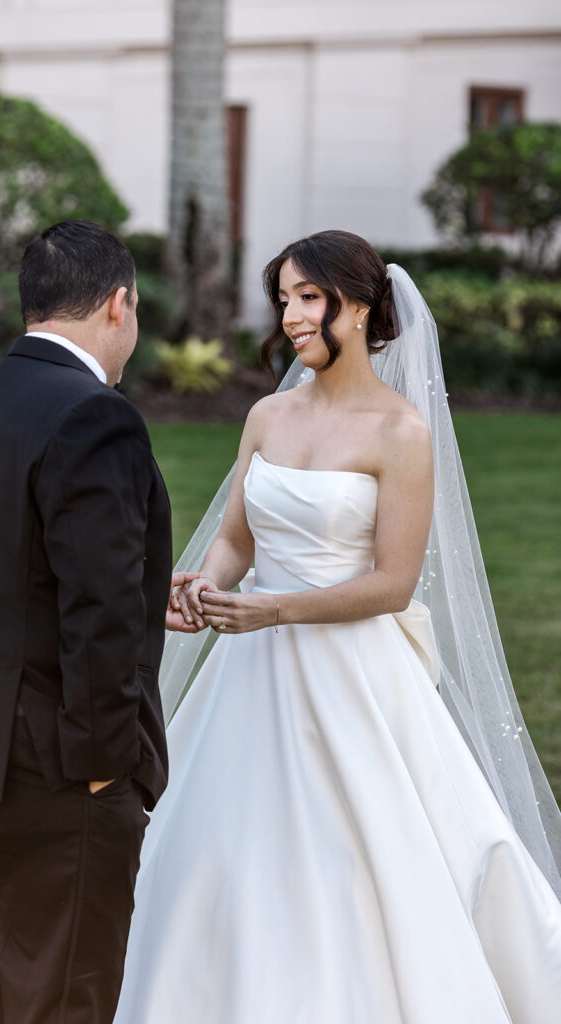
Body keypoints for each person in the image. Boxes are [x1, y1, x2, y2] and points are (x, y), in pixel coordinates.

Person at [113, 230, 561, 1024]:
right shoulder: (268, 415)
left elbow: (391, 584)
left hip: (353, 674)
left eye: (308, 298)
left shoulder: (401, 433)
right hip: (250, 670)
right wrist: (207, 589)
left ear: (358, 307)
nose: (290, 316)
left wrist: (271, 609)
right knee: (217, 841)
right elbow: (238, 539)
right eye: (284, 298)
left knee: (365, 850)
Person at [0, 220, 195, 1024]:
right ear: (120, 304)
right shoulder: (96, 415)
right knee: (64, 996)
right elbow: (100, 612)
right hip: (55, 767)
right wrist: (102, 765)